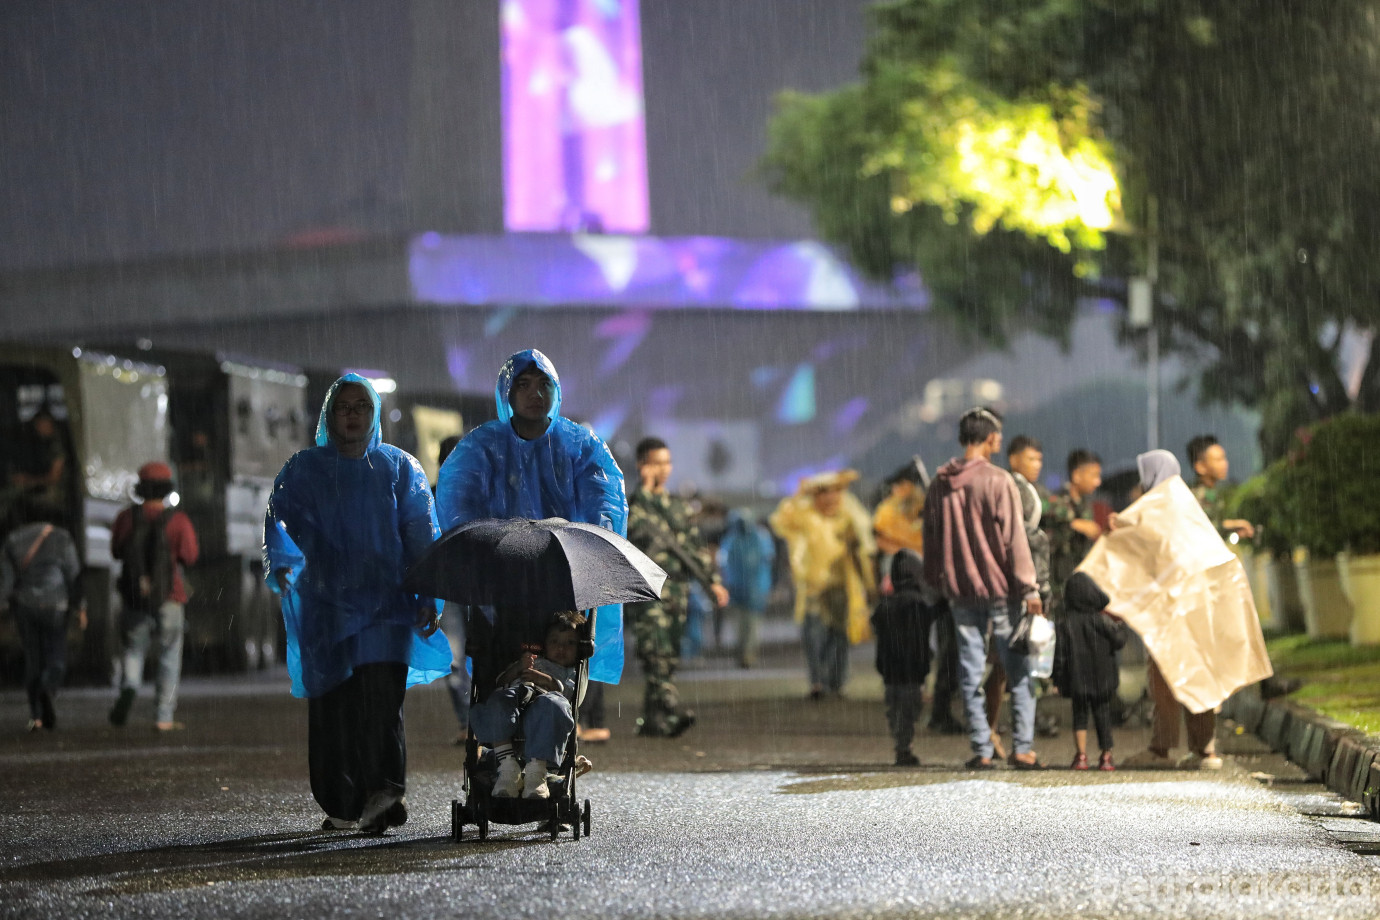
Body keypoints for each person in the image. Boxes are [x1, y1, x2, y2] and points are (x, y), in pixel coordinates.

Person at [264, 375, 452, 834]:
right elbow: (279, 522)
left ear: (373, 415)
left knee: (381, 703)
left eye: (361, 407)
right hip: (326, 608)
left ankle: (383, 789)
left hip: (386, 606)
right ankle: (343, 800)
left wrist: (428, 594)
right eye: (344, 407)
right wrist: (283, 561)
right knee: (334, 707)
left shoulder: (398, 469)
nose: (352, 414)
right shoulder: (303, 470)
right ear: (330, 414)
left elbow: (420, 535)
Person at [435, 348, 627, 744]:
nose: (534, 393)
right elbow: (457, 506)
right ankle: (504, 738)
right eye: (523, 384)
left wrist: (584, 545)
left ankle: (548, 734)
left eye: (543, 384)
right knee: (497, 659)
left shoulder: (580, 446)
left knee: (559, 657)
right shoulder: (481, 448)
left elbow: (604, 502)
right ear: (507, 391)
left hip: (562, 581)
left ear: (556, 391)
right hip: (499, 583)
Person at [1090, 449, 1273, 771]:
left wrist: (1121, 526)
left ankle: (1162, 748)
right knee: (1200, 669)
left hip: (1172, 606)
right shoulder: (1185, 501)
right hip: (1200, 602)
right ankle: (1206, 751)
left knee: (1162, 676)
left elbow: (1148, 542)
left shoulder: (1159, 502)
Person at [921, 407, 1045, 770]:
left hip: (961, 592)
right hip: (1001, 591)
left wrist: (936, 581)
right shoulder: (998, 480)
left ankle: (982, 749)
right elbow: (1015, 540)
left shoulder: (940, 482)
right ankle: (1023, 748)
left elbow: (930, 539)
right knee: (1018, 669)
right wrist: (1030, 589)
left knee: (970, 670)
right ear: (990, 438)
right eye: (999, 436)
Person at [626, 437, 728, 736]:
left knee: (668, 656)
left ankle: (651, 721)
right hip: (647, 591)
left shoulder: (676, 507)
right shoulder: (632, 503)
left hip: (677, 592)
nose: (664, 469)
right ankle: (670, 712)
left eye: (667, 462)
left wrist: (713, 582)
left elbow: (695, 548)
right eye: (656, 463)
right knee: (654, 653)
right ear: (642, 465)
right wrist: (644, 491)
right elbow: (632, 529)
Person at [108, 462, 199, 732]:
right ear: (167, 488)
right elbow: (190, 556)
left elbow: (116, 551)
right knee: (169, 657)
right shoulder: (178, 520)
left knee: (134, 649)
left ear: (140, 487)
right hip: (170, 597)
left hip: (135, 596)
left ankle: (130, 686)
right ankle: (163, 716)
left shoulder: (126, 518)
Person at [872, 459, 961, 734]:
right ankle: (926, 703)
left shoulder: (922, 507)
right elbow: (881, 539)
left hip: (929, 581)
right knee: (937, 644)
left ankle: (923, 705)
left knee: (940, 646)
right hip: (918, 579)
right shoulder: (891, 510)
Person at [771, 469, 875, 701]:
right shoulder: (806, 516)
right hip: (813, 590)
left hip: (840, 588)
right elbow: (779, 521)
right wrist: (799, 495)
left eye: (837, 492)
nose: (831, 498)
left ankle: (837, 683)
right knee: (814, 636)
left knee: (839, 636)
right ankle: (818, 681)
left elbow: (865, 535)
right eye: (825, 493)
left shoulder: (848, 515)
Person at [470, 610, 584, 799]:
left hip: (544, 705)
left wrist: (546, 680)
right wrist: (517, 669)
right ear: (544, 645)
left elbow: (570, 694)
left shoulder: (569, 671)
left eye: (569, 643)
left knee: (556, 706)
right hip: (514, 700)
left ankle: (536, 773)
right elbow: (500, 682)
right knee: (497, 701)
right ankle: (508, 767)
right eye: (554, 642)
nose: (561, 648)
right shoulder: (532, 659)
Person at [1, 500, 84, 731]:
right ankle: (49, 685)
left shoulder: (13, 539)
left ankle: (36, 716)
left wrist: (3, 605)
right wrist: (81, 607)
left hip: (25, 605)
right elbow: (74, 575)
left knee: (33, 659)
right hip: (56, 604)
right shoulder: (62, 537)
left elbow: (6, 582)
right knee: (55, 653)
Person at [1052, 572, 1127, 771]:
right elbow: (1119, 641)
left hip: (1077, 679)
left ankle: (1081, 756)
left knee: (1080, 716)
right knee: (1103, 714)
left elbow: (1059, 655)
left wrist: (1058, 678)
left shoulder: (1065, 623)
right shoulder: (1101, 621)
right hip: (1103, 678)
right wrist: (1121, 626)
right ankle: (1106, 756)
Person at [871, 546, 938, 766]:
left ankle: (901, 745)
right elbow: (936, 612)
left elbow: (876, 625)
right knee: (910, 709)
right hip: (912, 670)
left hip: (890, 670)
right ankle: (904, 746)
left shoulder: (885, 605)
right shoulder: (920, 604)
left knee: (895, 708)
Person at [435, 433, 471, 746]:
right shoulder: (431, 497)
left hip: (477, 587)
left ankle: (484, 721)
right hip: (448, 591)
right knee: (454, 659)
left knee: (480, 656)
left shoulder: (481, 493)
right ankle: (469, 722)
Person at [1042, 448, 1103, 618]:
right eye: (1093, 475)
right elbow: (1043, 513)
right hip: (1056, 589)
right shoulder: (1056, 501)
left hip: (1078, 586)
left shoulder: (1085, 505)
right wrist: (1074, 524)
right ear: (1076, 476)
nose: (1097, 482)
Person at [717, 508, 776, 669]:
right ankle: (745, 652)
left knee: (749, 624)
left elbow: (767, 561)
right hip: (743, 589)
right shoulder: (734, 539)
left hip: (752, 589)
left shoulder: (754, 538)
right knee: (744, 624)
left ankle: (747, 653)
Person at [1186, 434, 1256, 541]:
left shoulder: (1212, 492)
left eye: (1224, 458)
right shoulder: (1197, 496)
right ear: (1200, 467)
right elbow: (1205, 529)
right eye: (1218, 460)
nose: (1225, 464)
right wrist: (1232, 526)